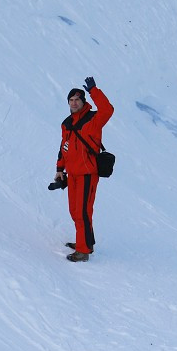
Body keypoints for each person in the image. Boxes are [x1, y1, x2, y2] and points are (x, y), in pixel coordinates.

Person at [49, 77, 114, 262]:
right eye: (71, 100)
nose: (74, 102)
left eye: (77, 99)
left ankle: (83, 251)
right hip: (73, 174)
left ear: (84, 102)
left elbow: (108, 110)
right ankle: (84, 241)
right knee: (75, 211)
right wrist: (60, 169)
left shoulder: (93, 119)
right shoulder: (67, 124)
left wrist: (94, 90)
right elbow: (64, 147)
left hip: (87, 173)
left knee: (83, 211)